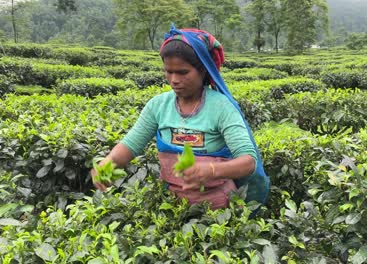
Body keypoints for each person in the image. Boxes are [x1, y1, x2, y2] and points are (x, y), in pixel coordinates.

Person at [91, 25, 269, 209]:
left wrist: (212, 170)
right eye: (169, 71)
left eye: (183, 72)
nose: (174, 79)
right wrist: (107, 164)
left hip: (219, 210)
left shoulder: (221, 107)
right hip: (172, 205)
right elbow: (130, 145)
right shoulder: (158, 105)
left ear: (203, 71)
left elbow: (248, 161)